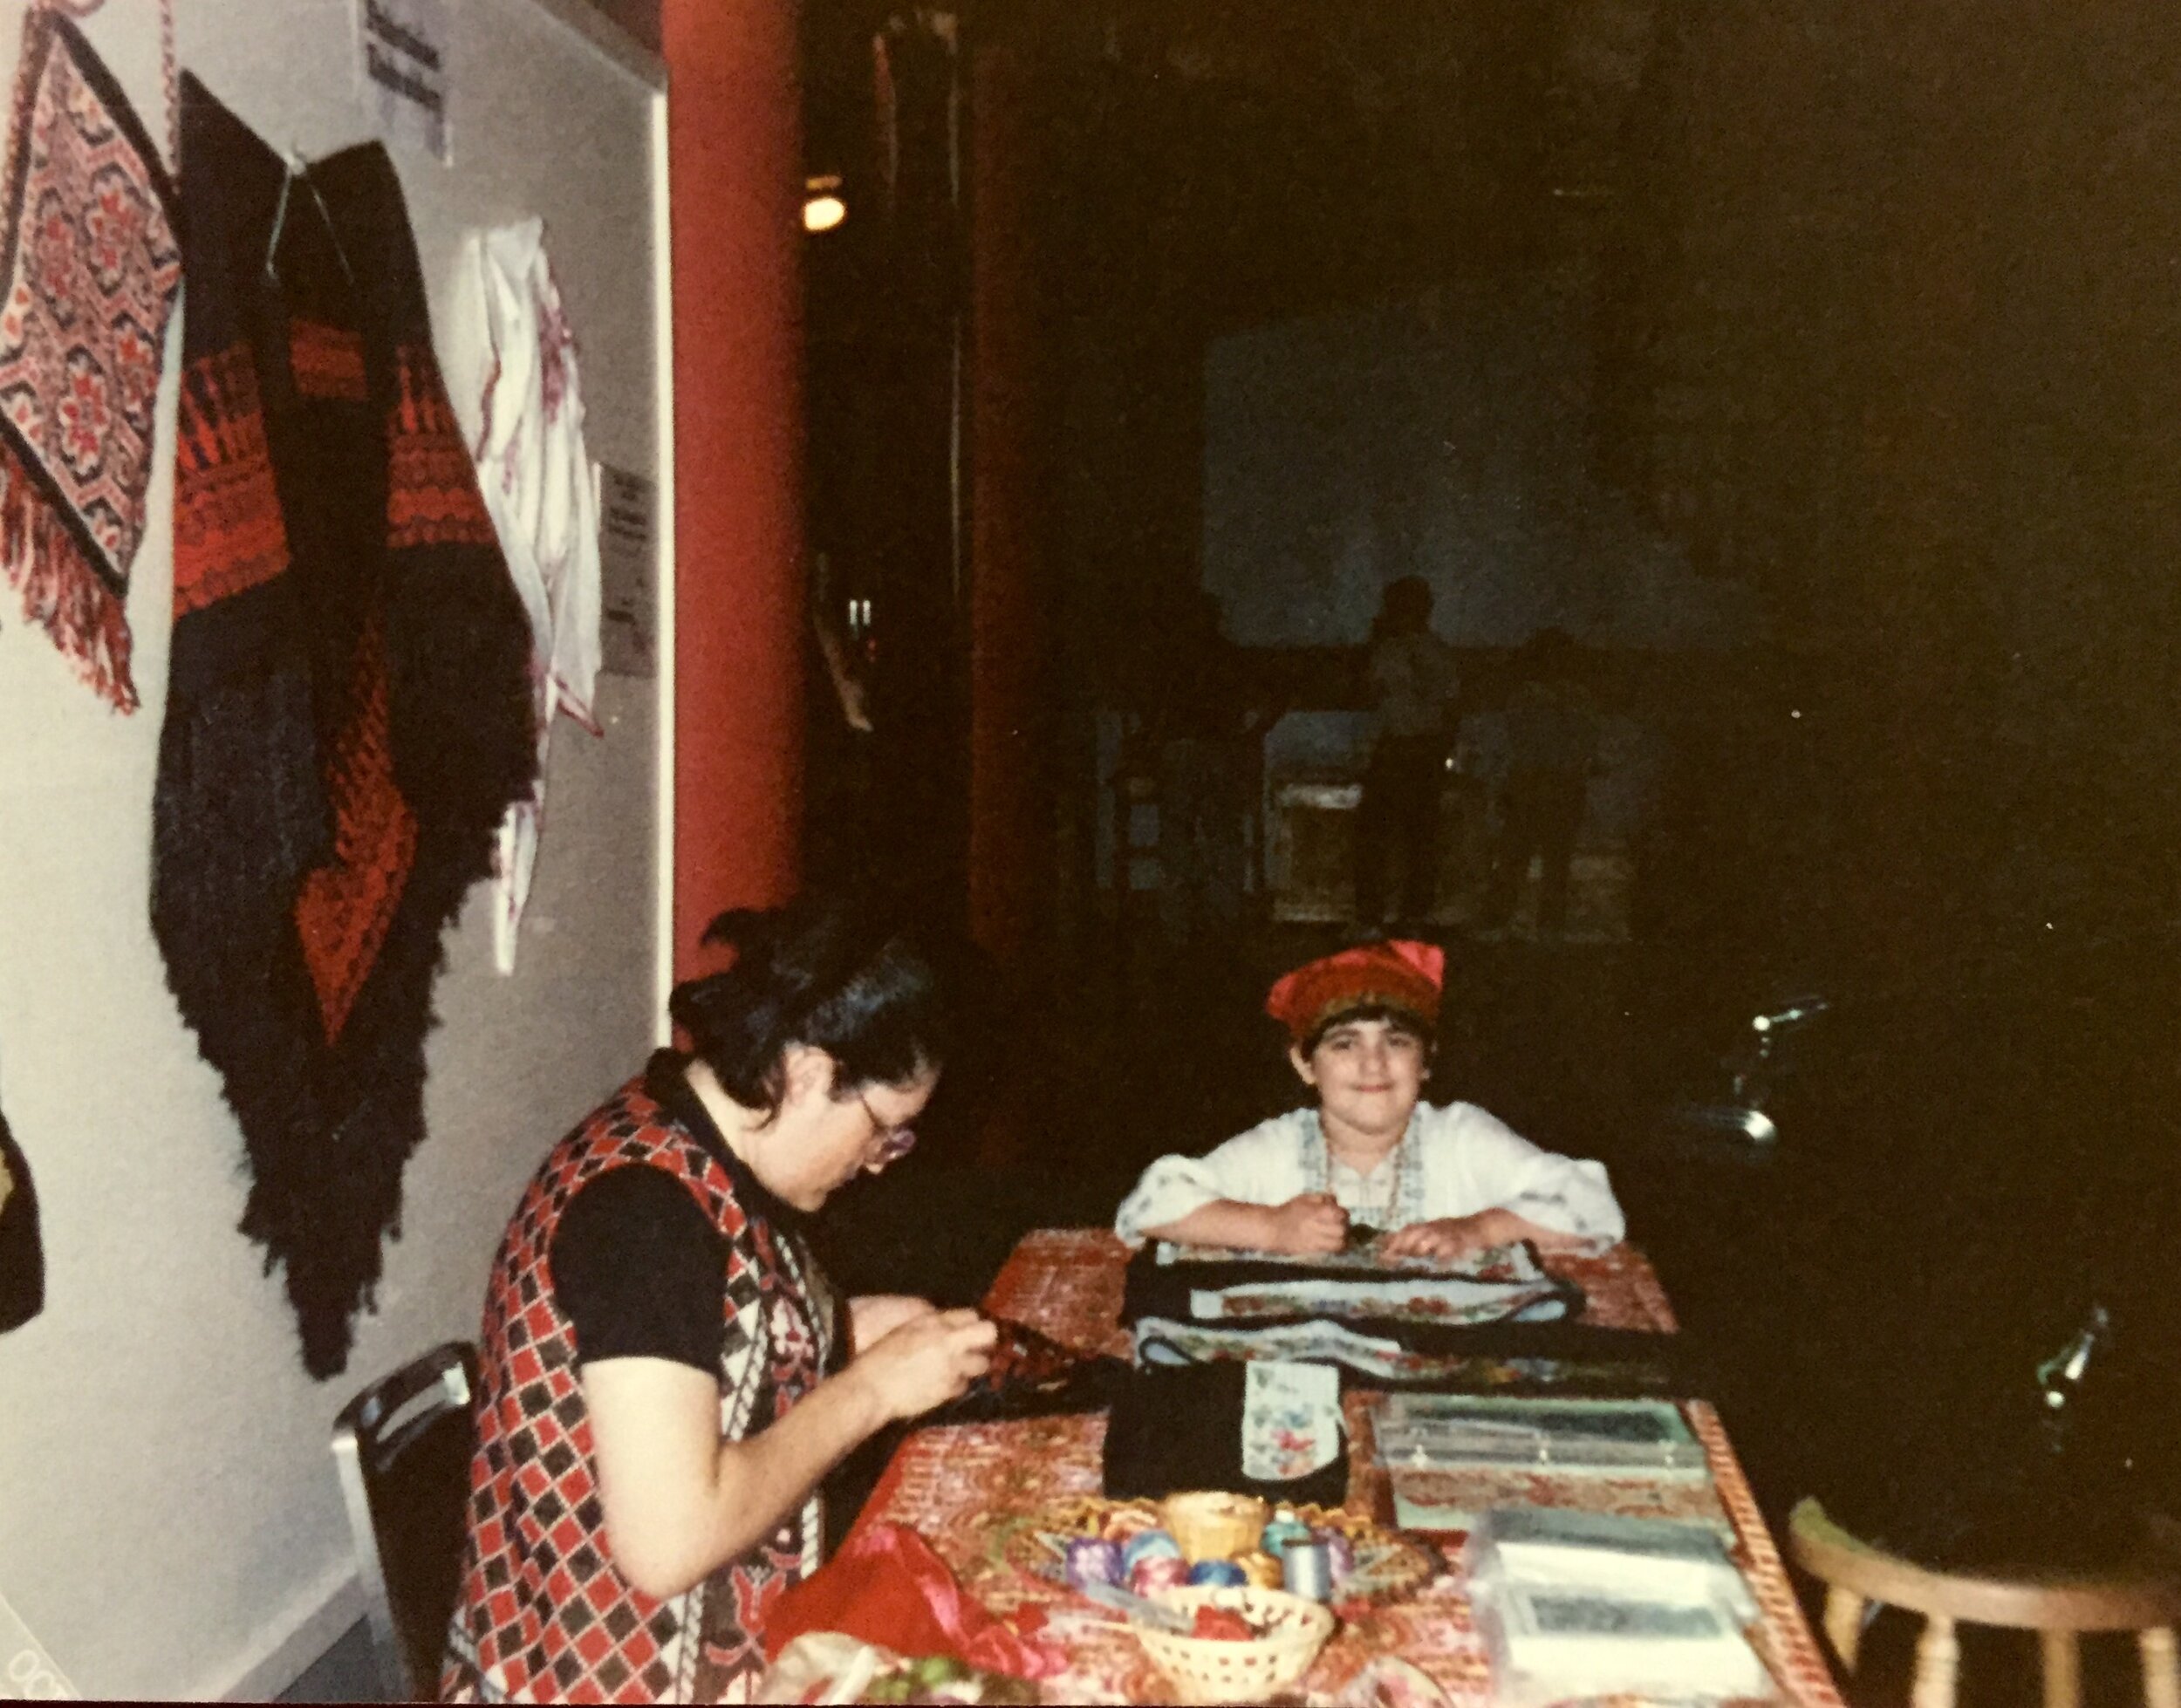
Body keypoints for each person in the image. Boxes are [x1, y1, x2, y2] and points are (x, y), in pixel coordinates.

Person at [442, 899, 997, 1704]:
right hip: (590, 1678)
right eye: (887, 1129)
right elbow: (670, 1542)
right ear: (809, 1071)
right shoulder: (646, 1214)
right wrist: (871, 1389)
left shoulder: (687, 1140)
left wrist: (846, 1332)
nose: (881, 1161)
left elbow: (709, 1341)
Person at [1113, 939, 1623, 1261]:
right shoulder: (1279, 1147)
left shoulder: (1461, 1137)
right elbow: (1150, 1204)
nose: (1373, 1063)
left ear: (1427, 1062)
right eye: (1345, 1043)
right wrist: (1269, 1226)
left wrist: (1479, 1229)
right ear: (1305, 1065)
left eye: (1396, 1042)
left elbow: (1589, 1202)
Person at [1356, 577, 1462, 932]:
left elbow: (1449, 706)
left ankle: (1388, 915)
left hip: (1411, 746)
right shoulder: (1415, 651)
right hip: (1409, 745)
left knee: (1398, 834)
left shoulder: (1419, 652)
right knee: (1406, 834)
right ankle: (1401, 914)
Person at [1490, 628, 1603, 936]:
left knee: (1520, 855)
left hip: (1535, 781)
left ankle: (1504, 920)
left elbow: (1521, 740)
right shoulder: (1576, 698)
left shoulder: (1529, 696)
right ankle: (1544, 925)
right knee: (1552, 858)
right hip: (1556, 781)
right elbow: (1584, 742)